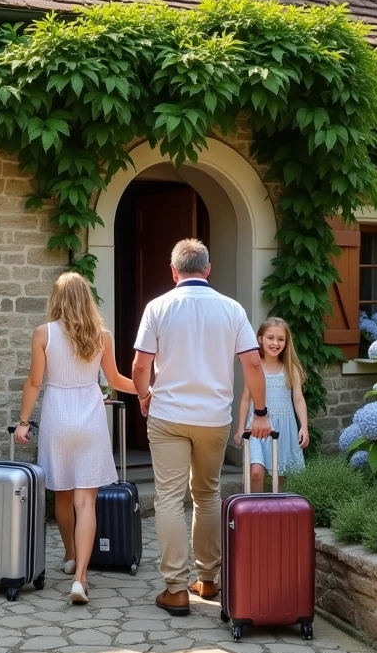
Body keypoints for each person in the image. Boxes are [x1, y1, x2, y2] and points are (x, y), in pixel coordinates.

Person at [131, 239, 271, 616]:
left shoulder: (158, 307)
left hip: (169, 416)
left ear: (173, 271)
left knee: (170, 498)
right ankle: (209, 579)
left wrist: (144, 396)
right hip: (213, 417)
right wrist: (260, 412)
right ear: (208, 269)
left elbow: (141, 366)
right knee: (207, 495)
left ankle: (175, 588)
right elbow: (253, 365)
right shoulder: (231, 309)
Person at [13, 272, 137, 605]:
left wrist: (23, 422)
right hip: (91, 418)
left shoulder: (43, 333)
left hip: (57, 417)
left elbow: (34, 383)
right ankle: (81, 577)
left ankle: (70, 554)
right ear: (87, 299)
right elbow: (114, 379)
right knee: (87, 502)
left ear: (56, 299)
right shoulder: (102, 335)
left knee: (63, 498)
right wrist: (149, 390)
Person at [236, 317, 309, 492]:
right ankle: (256, 513)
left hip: (284, 427)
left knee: (281, 478)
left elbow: (298, 398)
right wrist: (240, 428)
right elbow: (246, 398)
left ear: (286, 341)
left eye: (281, 339)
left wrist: (304, 427)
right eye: (270, 338)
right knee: (255, 472)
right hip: (257, 427)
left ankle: (277, 515)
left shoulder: (291, 368)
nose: (275, 343)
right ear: (260, 338)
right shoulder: (254, 367)